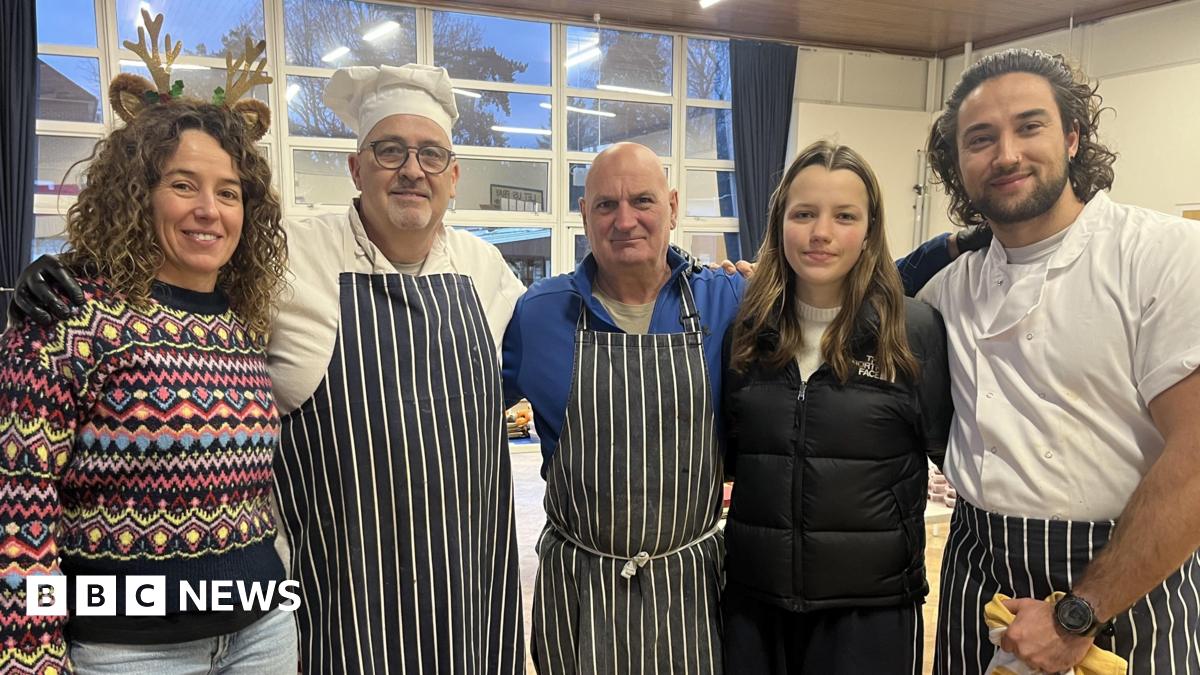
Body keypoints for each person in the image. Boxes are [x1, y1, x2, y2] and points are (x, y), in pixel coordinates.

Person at [5, 63, 526, 674]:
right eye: (389, 151)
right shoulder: (285, 258)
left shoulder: (488, 269)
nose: (412, 169)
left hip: (406, 602)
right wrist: (58, 268)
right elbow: (20, 503)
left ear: (454, 176)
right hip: (318, 607)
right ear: (356, 169)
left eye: (431, 154)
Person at [0, 19, 295, 673]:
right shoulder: (69, 316)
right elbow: (19, 499)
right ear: (138, 193)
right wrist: (30, 655)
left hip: (262, 629)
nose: (208, 210)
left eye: (228, 193)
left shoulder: (243, 324)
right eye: (183, 184)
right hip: (128, 649)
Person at [919, 48, 1200, 674]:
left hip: (1121, 583)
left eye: (1030, 125)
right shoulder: (947, 292)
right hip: (978, 571)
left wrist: (1080, 612)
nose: (1007, 154)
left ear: (1073, 136)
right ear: (957, 165)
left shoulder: (1163, 256)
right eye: (980, 139)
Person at [502, 142, 744, 673]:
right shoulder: (538, 314)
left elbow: (843, 288)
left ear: (673, 207)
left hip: (691, 589)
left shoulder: (729, 300)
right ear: (584, 214)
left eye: (643, 201)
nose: (625, 220)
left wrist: (956, 245)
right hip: (579, 591)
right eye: (606, 205)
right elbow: (465, 407)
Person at [720, 140, 952, 674]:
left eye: (844, 216)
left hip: (868, 616)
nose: (821, 233)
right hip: (755, 609)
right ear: (780, 222)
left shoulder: (913, 331)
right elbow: (734, 456)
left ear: (869, 231)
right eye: (804, 214)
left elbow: (951, 452)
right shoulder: (748, 333)